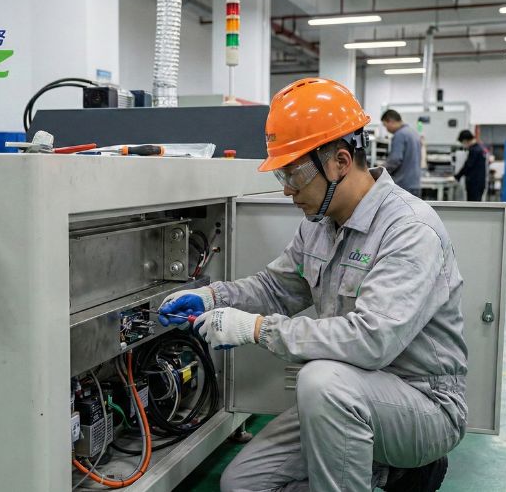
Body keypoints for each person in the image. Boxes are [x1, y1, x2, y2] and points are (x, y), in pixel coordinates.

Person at [158, 78, 467, 492]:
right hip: (346, 397)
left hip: (422, 405)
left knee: (320, 381)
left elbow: (371, 341)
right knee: (242, 485)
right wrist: (212, 296)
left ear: (340, 161)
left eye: (295, 173)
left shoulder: (408, 231)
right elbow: (275, 289)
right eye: (282, 173)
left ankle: (404, 464)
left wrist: (255, 329)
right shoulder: (320, 225)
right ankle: (385, 474)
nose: (287, 189)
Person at [381, 109, 422, 196]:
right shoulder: (413, 132)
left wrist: (380, 170)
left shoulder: (399, 135)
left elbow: (395, 160)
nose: (386, 129)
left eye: (385, 125)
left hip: (403, 185)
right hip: (415, 184)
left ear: (391, 121)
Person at [455, 130, 487, 202]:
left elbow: (468, 166)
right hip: (479, 183)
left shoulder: (474, 150)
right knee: (476, 206)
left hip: (474, 185)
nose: (463, 145)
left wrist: (457, 176)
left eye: (463, 143)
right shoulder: (479, 148)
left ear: (465, 140)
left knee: (473, 206)